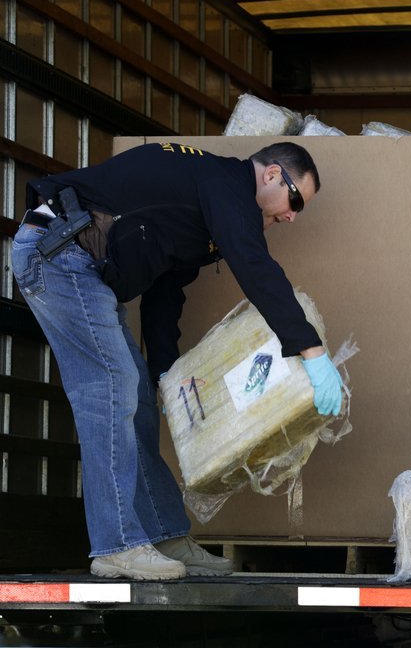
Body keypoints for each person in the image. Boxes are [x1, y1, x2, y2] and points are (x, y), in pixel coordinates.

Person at [11, 140, 342, 581]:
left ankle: (164, 534)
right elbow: (255, 266)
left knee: (136, 395)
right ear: (271, 175)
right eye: (295, 200)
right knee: (111, 391)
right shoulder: (225, 185)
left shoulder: (208, 205)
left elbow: (165, 290)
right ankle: (117, 546)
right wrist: (311, 350)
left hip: (81, 266)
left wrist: (164, 370)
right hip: (57, 255)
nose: (291, 216)